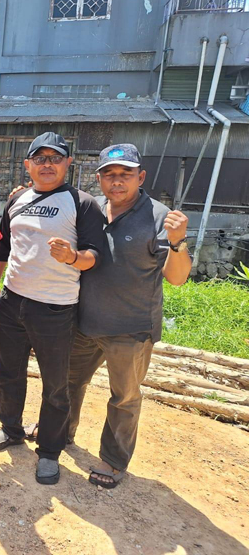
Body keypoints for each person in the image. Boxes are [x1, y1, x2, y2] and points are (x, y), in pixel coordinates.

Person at [0, 131, 105, 485]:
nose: (47, 164)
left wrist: (72, 257)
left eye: (55, 158)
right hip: (12, 302)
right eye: (40, 158)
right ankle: (11, 429)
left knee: (55, 385)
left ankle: (49, 451)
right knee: (7, 373)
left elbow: (95, 255)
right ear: (28, 165)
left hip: (55, 308)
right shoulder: (17, 199)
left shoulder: (82, 203)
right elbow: (3, 248)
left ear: (68, 163)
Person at [68, 144, 191, 488]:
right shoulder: (91, 209)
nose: (117, 181)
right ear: (99, 179)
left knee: (124, 397)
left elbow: (177, 277)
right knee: (69, 383)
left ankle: (113, 459)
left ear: (141, 177)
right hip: (84, 323)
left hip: (130, 328)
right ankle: (61, 432)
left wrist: (178, 242)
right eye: (109, 174)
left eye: (125, 174)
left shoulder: (158, 216)